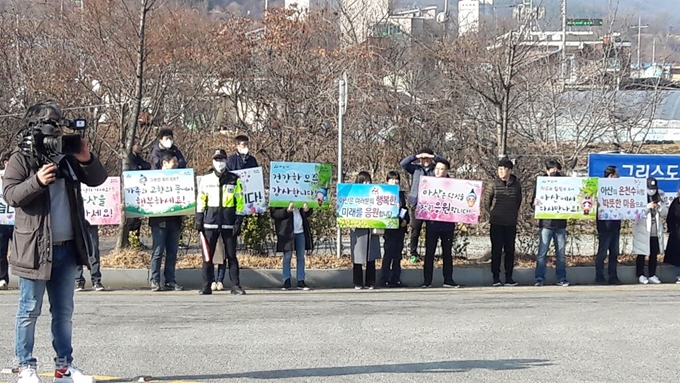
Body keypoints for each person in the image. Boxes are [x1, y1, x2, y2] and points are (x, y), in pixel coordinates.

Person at [3, 100, 107, 382]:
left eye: (60, 124)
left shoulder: (67, 156)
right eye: (54, 124)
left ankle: (64, 367)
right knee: (28, 311)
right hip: (34, 250)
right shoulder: (22, 158)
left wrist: (86, 158)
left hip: (67, 248)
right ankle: (26, 366)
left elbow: (98, 179)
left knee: (63, 312)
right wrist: (36, 180)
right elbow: (10, 194)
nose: (59, 129)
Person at [196, 149, 246, 295]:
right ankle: (206, 285)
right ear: (213, 161)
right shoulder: (206, 179)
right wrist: (199, 219)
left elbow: (240, 201)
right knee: (208, 256)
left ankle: (235, 286)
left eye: (222, 160)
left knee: (231, 256)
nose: (219, 163)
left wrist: (238, 221)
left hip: (228, 223)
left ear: (226, 161)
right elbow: (201, 200)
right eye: (217, 160)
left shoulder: (234, 179)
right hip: (210, 222)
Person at [148, 151, 184, 292]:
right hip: (159, 221)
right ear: (164, 163)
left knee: (172, 252)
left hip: (175, 220)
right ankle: (154, 280)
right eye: (173, 162)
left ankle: (170, 280)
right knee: (157, 252)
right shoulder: (153, 178)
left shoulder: (180, 178)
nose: (176, 165)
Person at [483, 157, 522, 287]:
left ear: (510, 170)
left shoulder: (516, 185)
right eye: (499, 169)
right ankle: (496, 277)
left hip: (510, 222)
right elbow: (486, 203)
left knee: (510, 251)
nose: (501, 171)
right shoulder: (493, 184)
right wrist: (494, 213)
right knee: (496, 251)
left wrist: (511, 213)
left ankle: (509, 277)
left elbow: (518, 201)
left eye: (504, 169)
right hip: (496, 223)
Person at [400, 148, 443, 261]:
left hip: (431, 205)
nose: (426, 160)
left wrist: (434, 156)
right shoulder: (416, 169)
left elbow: (445, 164)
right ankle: (413, 253)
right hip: (417, 203)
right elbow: (403, 163)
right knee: (415, 229)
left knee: (431, 230)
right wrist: (416, 156)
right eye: (424, 158)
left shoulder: (435, 170)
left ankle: (430, 254)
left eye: (428, 158)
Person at [422, 159, 458, 288]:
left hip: (448, 223)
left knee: (447, 253)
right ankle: (427, 281)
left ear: (447, 170)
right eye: (436, 168)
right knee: (429, 253)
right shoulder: (428, 183)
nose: (438, 171)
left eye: (441, 169)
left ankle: (448, 280)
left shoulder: (454, 185)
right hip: (432, 223)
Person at [532, 159, 569, 287]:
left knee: (561, 254)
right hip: (546, 224)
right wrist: (535, 204)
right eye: (552, 169)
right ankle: (539, 278)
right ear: (547, 171)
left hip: (561, 224)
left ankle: (561, 278)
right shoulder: (541, 185)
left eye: (556, 169)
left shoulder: (566, 185)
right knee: (542, 253)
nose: (554, 172)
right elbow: (532, 204)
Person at [271, 202, 313, 290]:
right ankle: (286, 280)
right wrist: (286, 211)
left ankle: (301, 280)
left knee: (301, 257)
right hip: (287, 231)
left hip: (301, 231)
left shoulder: (301, 195)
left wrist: (307, 210)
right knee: (287, 256)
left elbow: (309, 212)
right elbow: (274, 213)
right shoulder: (280, 197)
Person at [350, 171, 382, 290]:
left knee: (371, 255)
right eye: (363, 181)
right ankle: (357, 282)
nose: (366, 183)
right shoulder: (353, 194)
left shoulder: (376, 194)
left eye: (368, 181)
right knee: (357, 257)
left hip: (371, 227)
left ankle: (370, 281)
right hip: (357, 228)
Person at [633, 177, 667, 284]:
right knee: (641, 253)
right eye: (650, 188)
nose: (652, 191)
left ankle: (652, 274)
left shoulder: (659, 197)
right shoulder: (639, 197)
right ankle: (640, 274)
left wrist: (659, 206)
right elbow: (635, 213)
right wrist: (647, 207)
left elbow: (665, 213)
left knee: (653, 253)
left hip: (654, 231)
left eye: (654, 188)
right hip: (643, 230)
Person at [380, 171, 409, 288]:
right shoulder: (383, 194)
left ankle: (396, 279)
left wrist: (406, 220)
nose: (394, 181)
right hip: (389, 229)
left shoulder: (401, 194)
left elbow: (405, 209)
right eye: (391, 179)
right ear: (387, 181)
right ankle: (384, 279)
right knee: (388, 254)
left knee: (398, 255)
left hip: (400, 229)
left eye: (396, 179)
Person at [595, 166, 622, 285]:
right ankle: (599, 276)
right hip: (604, 225)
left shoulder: (620, 189)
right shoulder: (599, 187)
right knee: (602, 253)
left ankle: (613, 276)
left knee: (614, 253)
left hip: (616, 225)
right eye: (617, 174)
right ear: (611, 175)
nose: (619, 177)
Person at [126, 144, 151, 245]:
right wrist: (141, 167)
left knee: (137, 218)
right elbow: (135, 169)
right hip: (131, 189)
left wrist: (142, 167)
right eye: (138, 144)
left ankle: (135, 240)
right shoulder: (130, 157)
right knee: (132, 218)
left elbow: (147, 165)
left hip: (139, 189)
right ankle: (131, 240)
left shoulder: (138, 157)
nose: (141, 147)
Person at [74, 220, 104, 292]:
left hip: (92, 220)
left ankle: (96, 280)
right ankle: (78, 281)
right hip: (77, 220)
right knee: (77, 249)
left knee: (94, 250)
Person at [0, 152, 13, 290]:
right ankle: (2, 278)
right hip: (1, 221)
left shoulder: (22, 175)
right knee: (1, 252)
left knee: (22, 252)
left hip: (19, 220)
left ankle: (25, 279)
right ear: (5, 163)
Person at [663, 184, 680, 284]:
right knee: (678, 255)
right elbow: (670, 217)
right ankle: (678, 275)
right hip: (677, 233)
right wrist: (671, 229)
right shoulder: (676, 202)